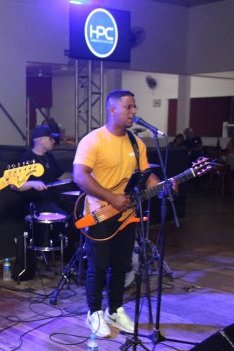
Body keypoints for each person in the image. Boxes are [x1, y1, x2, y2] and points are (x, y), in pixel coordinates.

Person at [73, 90, 174, 338]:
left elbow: (146, 176)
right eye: (128, 107)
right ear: (112, 110)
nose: (134, 112)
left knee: (121, 265)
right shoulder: (93, 140)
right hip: (100, 214)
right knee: (98, 267)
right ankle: (94, 312)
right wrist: (111, 197)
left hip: (127, 215)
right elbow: (80, 176)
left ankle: (115, 310)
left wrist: (163, 185)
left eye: (134, 107)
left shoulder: (136, 143)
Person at [10, 124, 70, 217]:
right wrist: (32, 184)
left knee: (76, 209)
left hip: (54, 199)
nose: (54, 141)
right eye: (50, 138)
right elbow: (13, 185)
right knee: (63, 217)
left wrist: (78, 176)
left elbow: (61, 175)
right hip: (37, 203)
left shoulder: (49, 156)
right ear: (41, 141)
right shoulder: (26, 158)